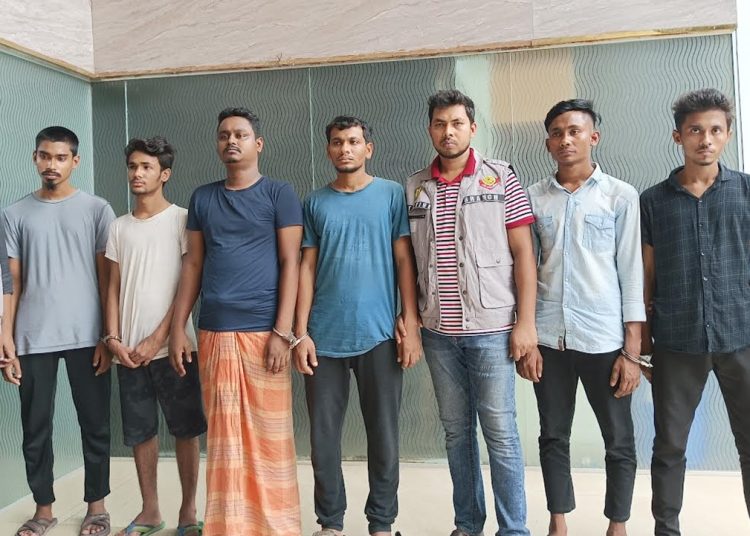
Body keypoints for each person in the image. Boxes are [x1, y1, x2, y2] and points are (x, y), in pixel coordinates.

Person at [405, 89, 537, 536]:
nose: (449, 132)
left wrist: (526, 323)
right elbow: (410, 261)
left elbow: (524, 253)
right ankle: (467, 524)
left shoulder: (499, 177)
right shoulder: (415, 186)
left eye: (457, 123)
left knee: (500, 433)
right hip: (438, 332)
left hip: (492, 329)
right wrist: (413, 321)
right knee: (456, 433)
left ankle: (514, 529)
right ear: (430, 129)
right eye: (440, 124)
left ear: (472, 128)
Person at [169, 107, 303, 536]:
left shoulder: (279, 194)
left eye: (240, 135)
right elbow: (193, 264)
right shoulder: (203, 198)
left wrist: (283, 332)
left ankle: (276, 527)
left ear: (257, 143)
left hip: (265, 333)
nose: (231, 141)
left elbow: (291, 262)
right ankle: (229, 526)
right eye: (224, 134)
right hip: (214, 331)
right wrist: (178, 327)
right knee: (225, 439)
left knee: (269, 437)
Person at [521, 99, 645, 536]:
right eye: (557, 133)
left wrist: (633, 353)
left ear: (594, 137)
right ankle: (558, 522)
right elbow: (525, 270)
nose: (566, 140)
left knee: (619, 439)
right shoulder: (533, 198)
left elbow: (631, 273)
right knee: (553, 435)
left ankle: (618, 524)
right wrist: (527, 336)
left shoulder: (620, 196)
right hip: (549, 339)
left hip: (604, 339)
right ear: (548, 143)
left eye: (574, 131)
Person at [294, 116, 421, 536]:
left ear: (369, 148)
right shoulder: (315, 202)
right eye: (337, 142)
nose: (344, 149)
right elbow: (306, 268)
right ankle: (330, 522)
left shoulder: (390, 195)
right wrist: (300, 333)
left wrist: (410, 320)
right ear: (328, 149)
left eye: (353, 141)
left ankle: (381, 523)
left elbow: (404, 259)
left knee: (383, 436)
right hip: (324, 338)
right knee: (323, 440)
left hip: (379, 335)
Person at [641, 88, 750, 536]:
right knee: (669, 446)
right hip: (677, 339)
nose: (705, 139)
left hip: (741, 335)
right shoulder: (653, 201)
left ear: (728, 134)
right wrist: (644, 339)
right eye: (695, 130)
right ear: (678, 136)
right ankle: (666, 530)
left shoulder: (746, 192)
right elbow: (647, 274)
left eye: (715, 130)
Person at [2, 126, 115, 536]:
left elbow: (107, 279)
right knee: (35, 429)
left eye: (61, 157)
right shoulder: (14, 214)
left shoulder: (97, 210)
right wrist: (6, 338)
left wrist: (107, 336)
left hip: (88, 336)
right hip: (32, 338)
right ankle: (43, 510)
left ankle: (97, 508)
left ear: (75, 161)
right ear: (35, 158)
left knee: (95, 425)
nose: (52, 164)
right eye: (45, 156)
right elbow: (10, 282)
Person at [104, 137, 206, 536]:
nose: (137, 173)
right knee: (140, 433)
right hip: (128, 352)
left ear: (165, 174)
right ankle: (149, 511)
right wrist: (113, 339)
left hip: (175, 348)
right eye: (132, 166)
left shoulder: (182, 220)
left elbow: (188, 283)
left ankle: (188, 512)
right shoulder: (118, 227)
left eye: (146, 166)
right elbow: (112, 287)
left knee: (186, 430)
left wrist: (160, 337)